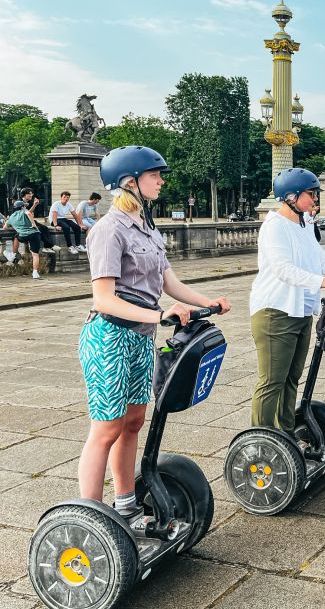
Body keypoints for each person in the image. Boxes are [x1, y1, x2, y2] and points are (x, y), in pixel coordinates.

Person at [78, 145, 231, 515]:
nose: (161, 181)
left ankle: (126, 504)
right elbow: (103, 299)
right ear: (130, 182)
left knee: (133, 422)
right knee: (107, 428)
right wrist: (160, 315)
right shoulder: (107, 231)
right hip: (110, 338)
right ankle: (90, 517)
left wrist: (207, 302)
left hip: (140, 338)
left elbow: (170, 283)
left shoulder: (147, 228)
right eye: (154, 175)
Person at [250, 168, 325, 435]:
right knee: (271, 381)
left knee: (291, 379)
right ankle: (260, 441)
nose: (315, 199)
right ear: (291, 196)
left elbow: (320, 260)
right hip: (274, 312)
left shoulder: (304, 224)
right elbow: (283, 269)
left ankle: (285, 434)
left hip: (300, 310)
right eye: (311, 194)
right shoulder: (274, 226)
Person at [6, 200, 45, 279]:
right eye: (25, 206)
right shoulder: (24, 211)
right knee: (35, 254)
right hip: (34, 234)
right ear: (22, 207)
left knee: (16, 237)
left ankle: (12, 255)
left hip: (23, 235)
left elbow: (5, 227)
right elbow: (29, 213)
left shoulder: (12, 216)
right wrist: (33, 224)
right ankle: (35, 273)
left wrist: (16, 226)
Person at [19, 187, 61, 252]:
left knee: (45, 228)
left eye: (32, 193)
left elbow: (30, 213)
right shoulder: (20, 203)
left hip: (30, 220)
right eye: (29, 194)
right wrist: (34, 205)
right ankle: (51, 245)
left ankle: (46, 247)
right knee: (39, 229)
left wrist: (34, 205)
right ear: (24, 194)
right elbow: (26, 214)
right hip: (24, 222)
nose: (31, 195)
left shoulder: (29, 203)